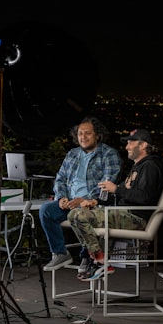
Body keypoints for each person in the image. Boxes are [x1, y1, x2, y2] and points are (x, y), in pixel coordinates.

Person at [68, 128, 163, 281]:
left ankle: (100, 260)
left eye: (131, 143)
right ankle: (96, 259)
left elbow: (145, 197)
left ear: (143, 145)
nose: (127, 147)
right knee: (73, 214)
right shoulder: (137, 166)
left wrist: (116, 189)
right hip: (123, 213)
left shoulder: (150, 167)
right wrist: (95, 201)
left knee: (80, 216)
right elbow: (122, 192)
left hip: (135, 218)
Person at [40, 116, 122, 273]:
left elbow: (107, 185)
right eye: (80, 134)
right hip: (70, 203)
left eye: (87, 133)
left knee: (81, 214)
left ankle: (87, 256)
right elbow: (60, 179)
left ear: (97, 135)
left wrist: (84, 200)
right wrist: (62, 198)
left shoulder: (109, 154)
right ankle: (60, 253)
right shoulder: (72, 154)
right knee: (46, 210)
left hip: (92, 205)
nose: (83, 137)